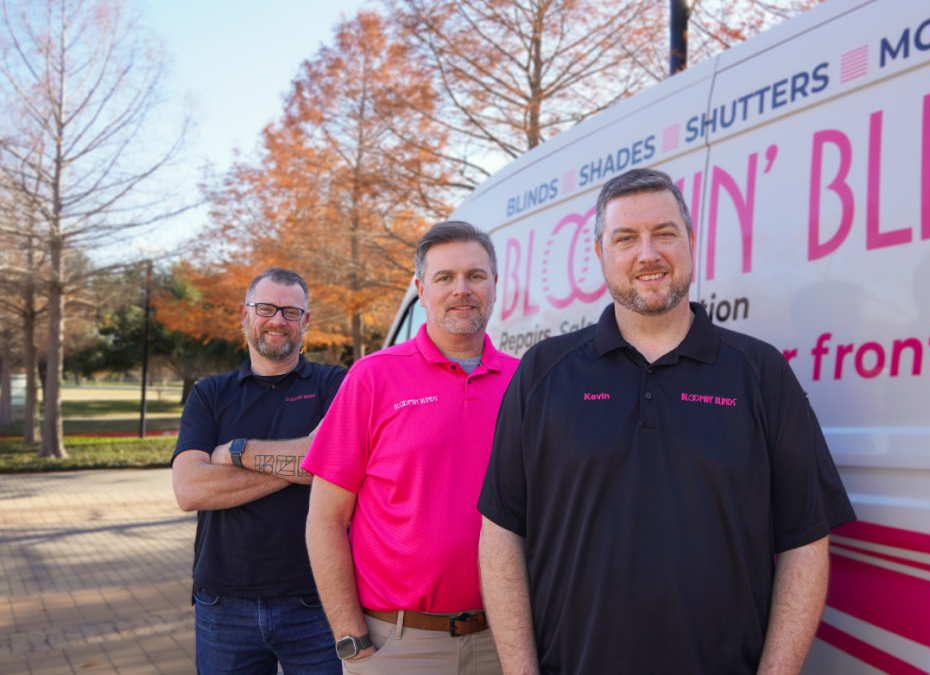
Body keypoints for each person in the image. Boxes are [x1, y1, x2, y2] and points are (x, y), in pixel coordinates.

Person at [478, 168, 856, 675]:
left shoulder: (759, 373)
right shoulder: (545, 373)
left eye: (665, 233)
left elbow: (805, 540)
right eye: (626, 238)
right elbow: (503, 531)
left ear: (691, 242)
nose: (648, 254)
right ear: (600, 254)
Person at [303, 221, 518, 674]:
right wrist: (351, 640)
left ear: (495, 285)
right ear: (421, 290)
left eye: (476, 276)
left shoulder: (527, 382)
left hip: (506, 642)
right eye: (444, 277)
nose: (462, 289)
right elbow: (325, 519)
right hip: (398, 646)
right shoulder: (372, 378)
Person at [172, 268, 347, 674]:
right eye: (266, 308)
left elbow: (340, 465)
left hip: (318, 600)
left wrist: (236, 451)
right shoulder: (210, 394)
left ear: (306, 321)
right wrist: (306, 459)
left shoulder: (334, 385)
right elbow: (190, 489)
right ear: (244, 314)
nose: (277, 320)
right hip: (223, 605)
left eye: (290, 311)